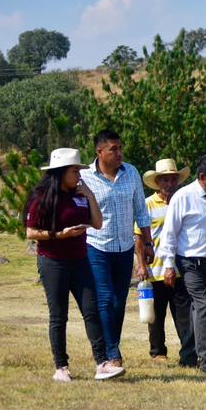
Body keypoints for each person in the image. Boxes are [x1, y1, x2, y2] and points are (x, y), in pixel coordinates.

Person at [25, 148, 124, 381]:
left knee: (91, 311)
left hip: (80, 260)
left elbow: (98, 224)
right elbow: (31, 232)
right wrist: (60, 235)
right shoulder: (42, 197)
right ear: (60, 173)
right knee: (59, 316)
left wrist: (90, 196)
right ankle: (61, 367)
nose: (79, 174)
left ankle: (102, 363)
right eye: (74, 170)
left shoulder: (80, 195)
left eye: (80, 170)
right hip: (53, 263)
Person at [80, 130, 152, 369]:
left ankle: (111, 344)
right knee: (106, 298)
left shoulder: (131, 172)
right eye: (113, 149)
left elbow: (141, 211)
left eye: (120, 148)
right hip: (96, 246)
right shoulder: (84, 177)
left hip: (124, 247)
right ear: (99, 152)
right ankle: (111, 352)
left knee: (119, 302)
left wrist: (148, 244)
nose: (119, 153)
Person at [158, 154, 206, 380]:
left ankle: (189, 354)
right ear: (202, 177)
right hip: (190, 263)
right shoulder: (183, 197)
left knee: (200, 311)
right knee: (203, 305)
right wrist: (168, 265)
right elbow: (170, 232)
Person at [134, 158, 196, 367]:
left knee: (184, 315)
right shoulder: (147, 204)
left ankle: (188, 353)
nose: (170, 184)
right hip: (155, 270)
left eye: (173, 180)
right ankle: (157, 351)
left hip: (180, 269)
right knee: (156, 315)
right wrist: (141, 265)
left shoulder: (185, 201)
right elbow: (139, 238)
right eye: (166, 180)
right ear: (158, 182)